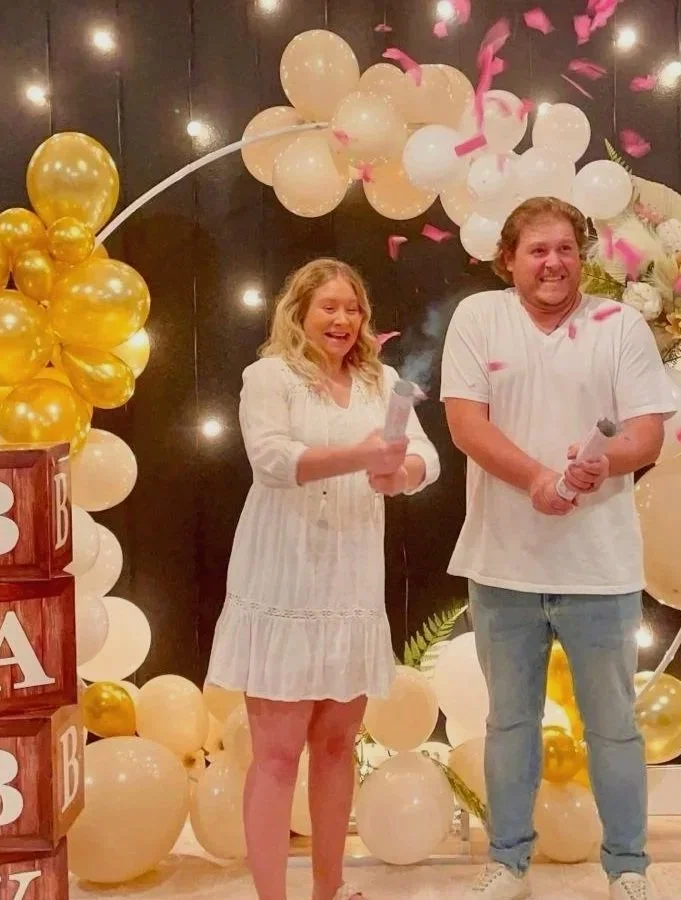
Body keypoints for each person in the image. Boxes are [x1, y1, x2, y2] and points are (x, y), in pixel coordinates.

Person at [440, 198, 676, 900]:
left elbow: (647, 434)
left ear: (583, 256)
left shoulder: (620, 324)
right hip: (502, 564)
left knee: (613, 725)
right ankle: (508, 862)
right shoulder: (478, 319)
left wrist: (607, 464)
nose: (553, 262)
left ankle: (628, 867)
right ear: (507, 259)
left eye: (566, 249)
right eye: (537, 250)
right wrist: (538, 479)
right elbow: (464, 425)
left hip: (600, 567)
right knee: (509, 723)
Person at [206, 258, 440, 900]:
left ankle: (329, 891)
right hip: (283, 581)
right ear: (299, 313)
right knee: (278, 755)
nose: (342, 319)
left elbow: (427, 454)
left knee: (337, 748)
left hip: (350, 586)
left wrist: (405, 473)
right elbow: (273, 459)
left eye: (353, 307)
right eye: (328, 307)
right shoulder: (269, 377)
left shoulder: (380, 380)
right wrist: (362, 456)